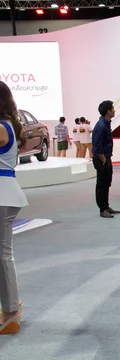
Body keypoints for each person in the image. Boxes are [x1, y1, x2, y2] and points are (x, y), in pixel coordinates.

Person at [0, 81, 27, 334]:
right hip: (6, 191)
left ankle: (10, 311)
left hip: (2, 193)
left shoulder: (1, 127)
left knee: (3, 255)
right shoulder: (8, 125)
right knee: (3, 254)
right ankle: (10, 306)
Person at [91, 100, 120, 218]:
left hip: (106, 158)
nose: (114, 110)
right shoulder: (102, 126)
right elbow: (97, 147)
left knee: (107, 183)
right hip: (101, 158)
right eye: (112, 108)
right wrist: (104, 160)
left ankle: (106, 206)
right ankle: (102, 209)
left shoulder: (106, 123)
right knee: (102, 184)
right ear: (108, 111)